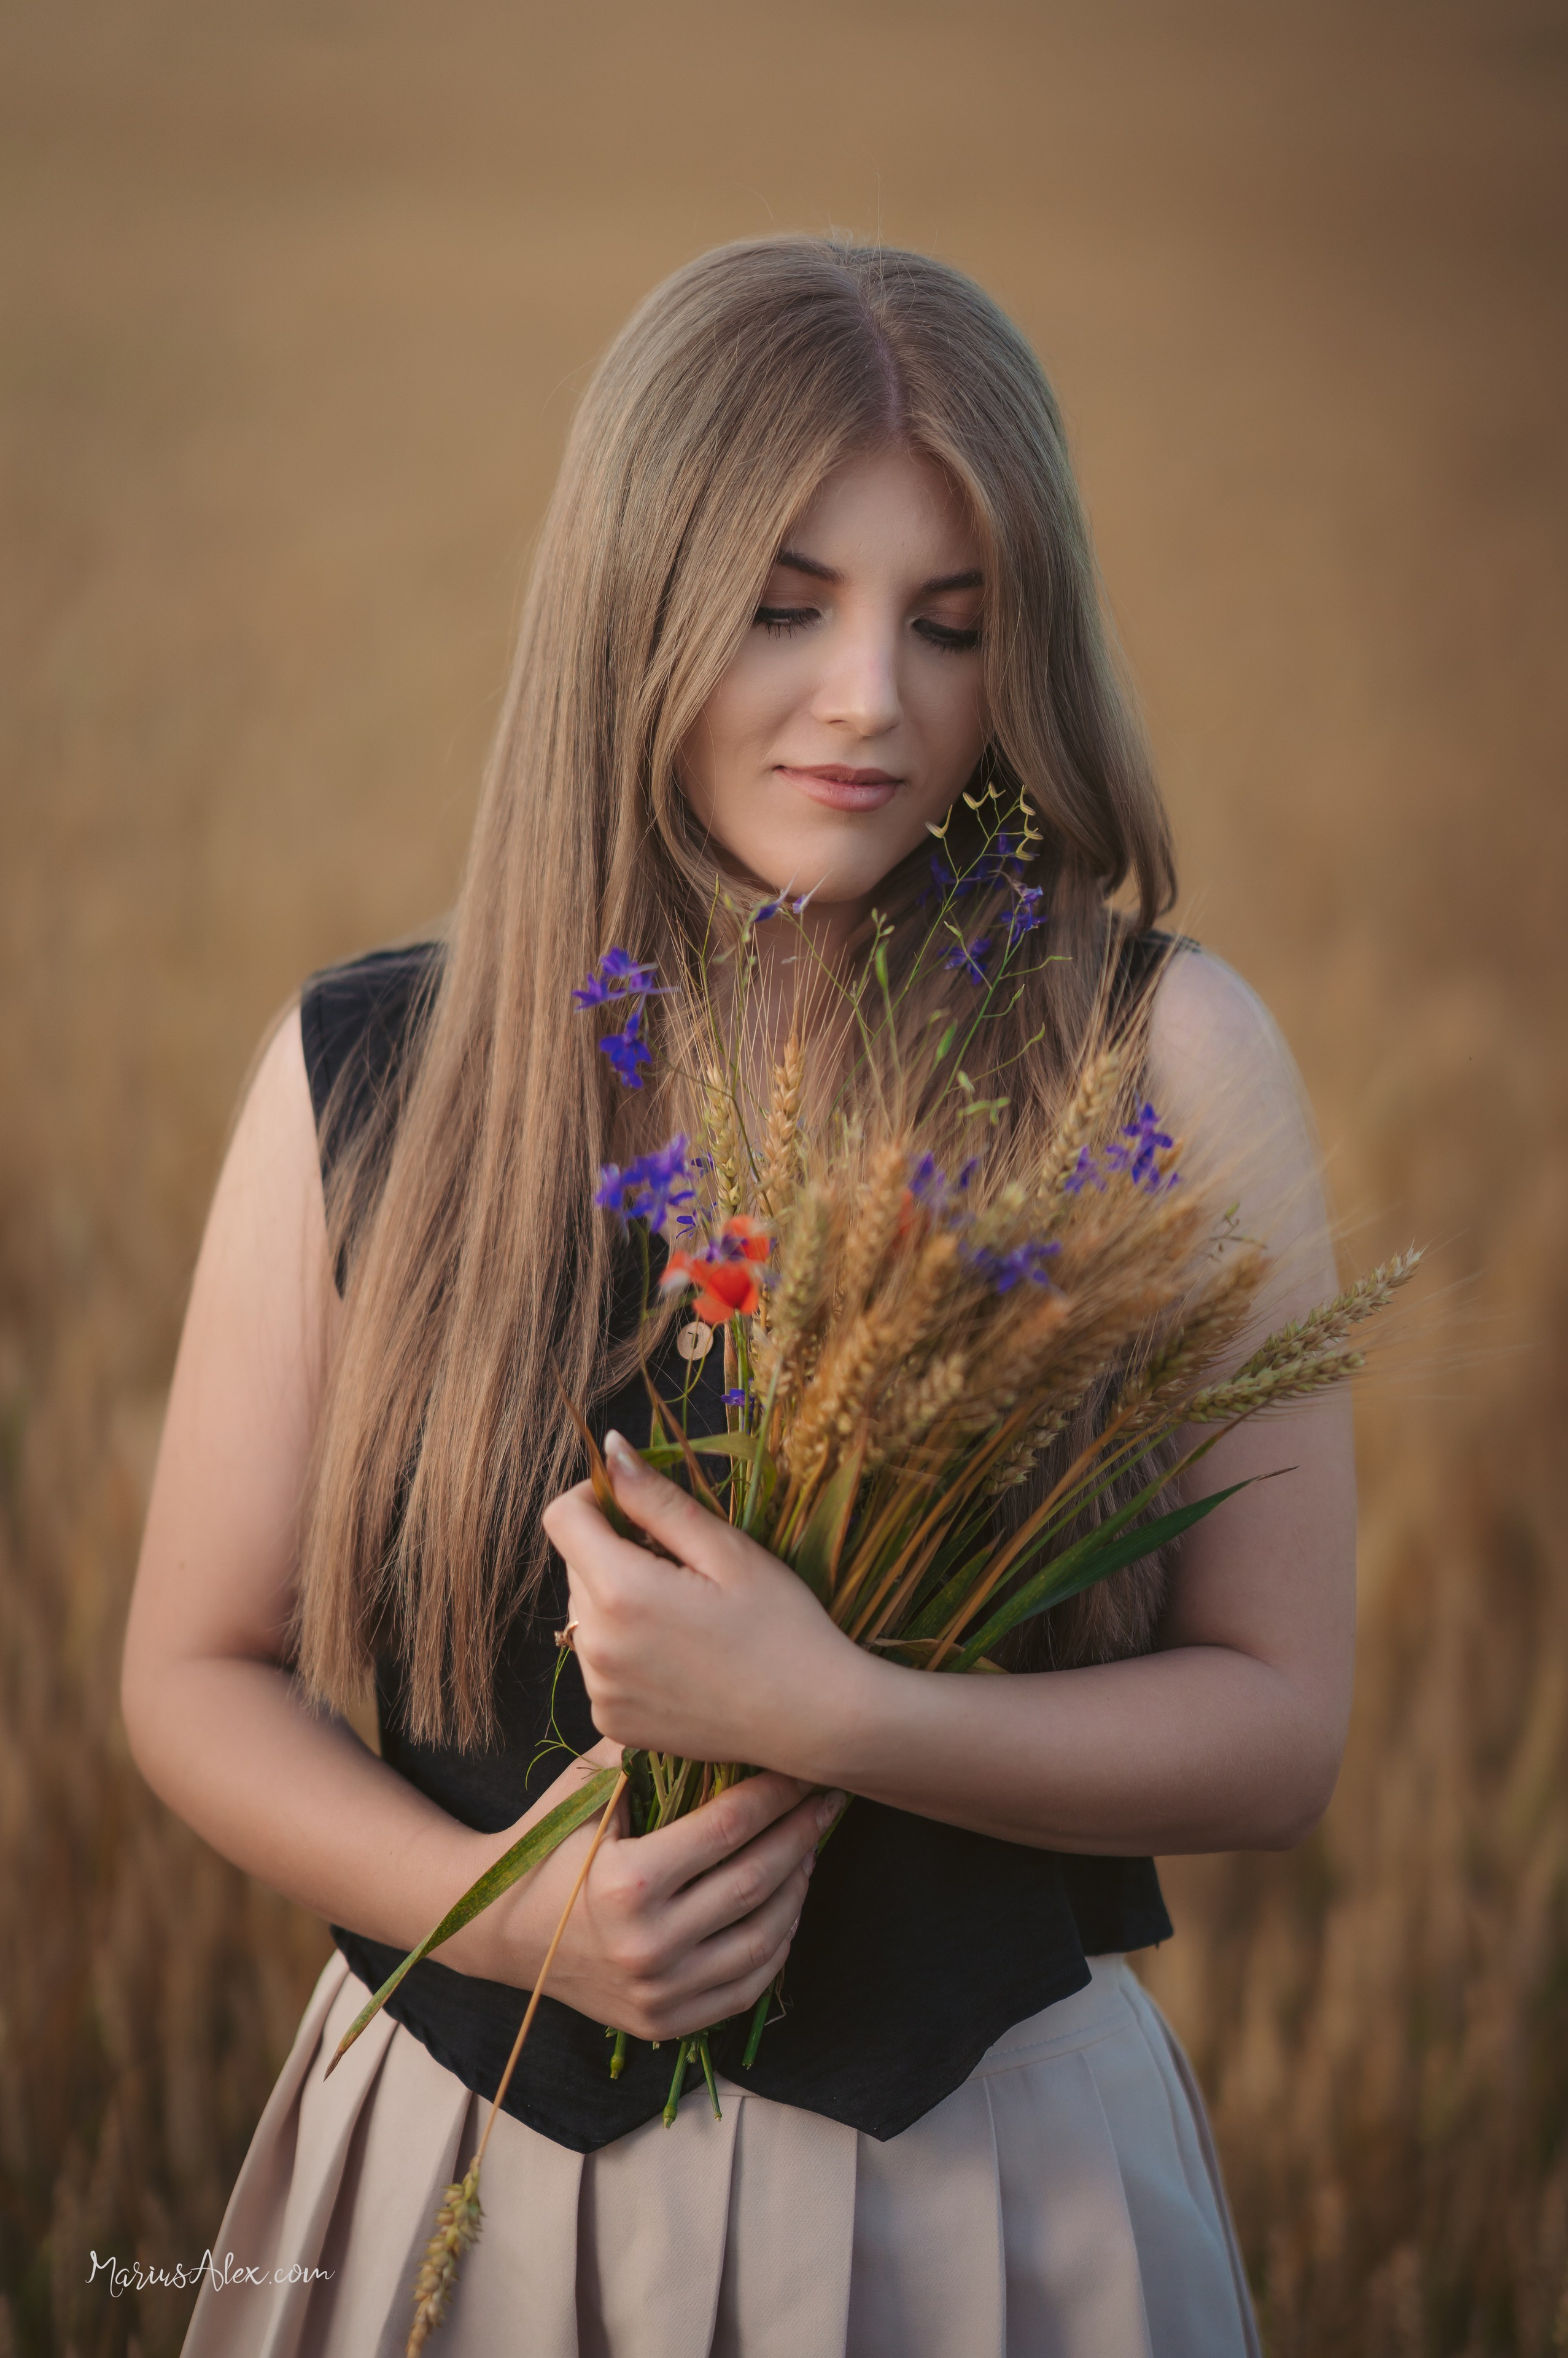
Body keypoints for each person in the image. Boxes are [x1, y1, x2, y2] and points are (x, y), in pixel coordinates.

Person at [122, 237, 1352, 2357]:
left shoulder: (1156, 1061)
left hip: (991, 2207)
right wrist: (522, 1921)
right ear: (633, 605)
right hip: (466, 2177)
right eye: (787, 606)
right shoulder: (371, 1073)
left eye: (950, 623)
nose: (874, 695)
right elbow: (190, 1675)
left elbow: (1276, 1732)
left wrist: (833, 1715)